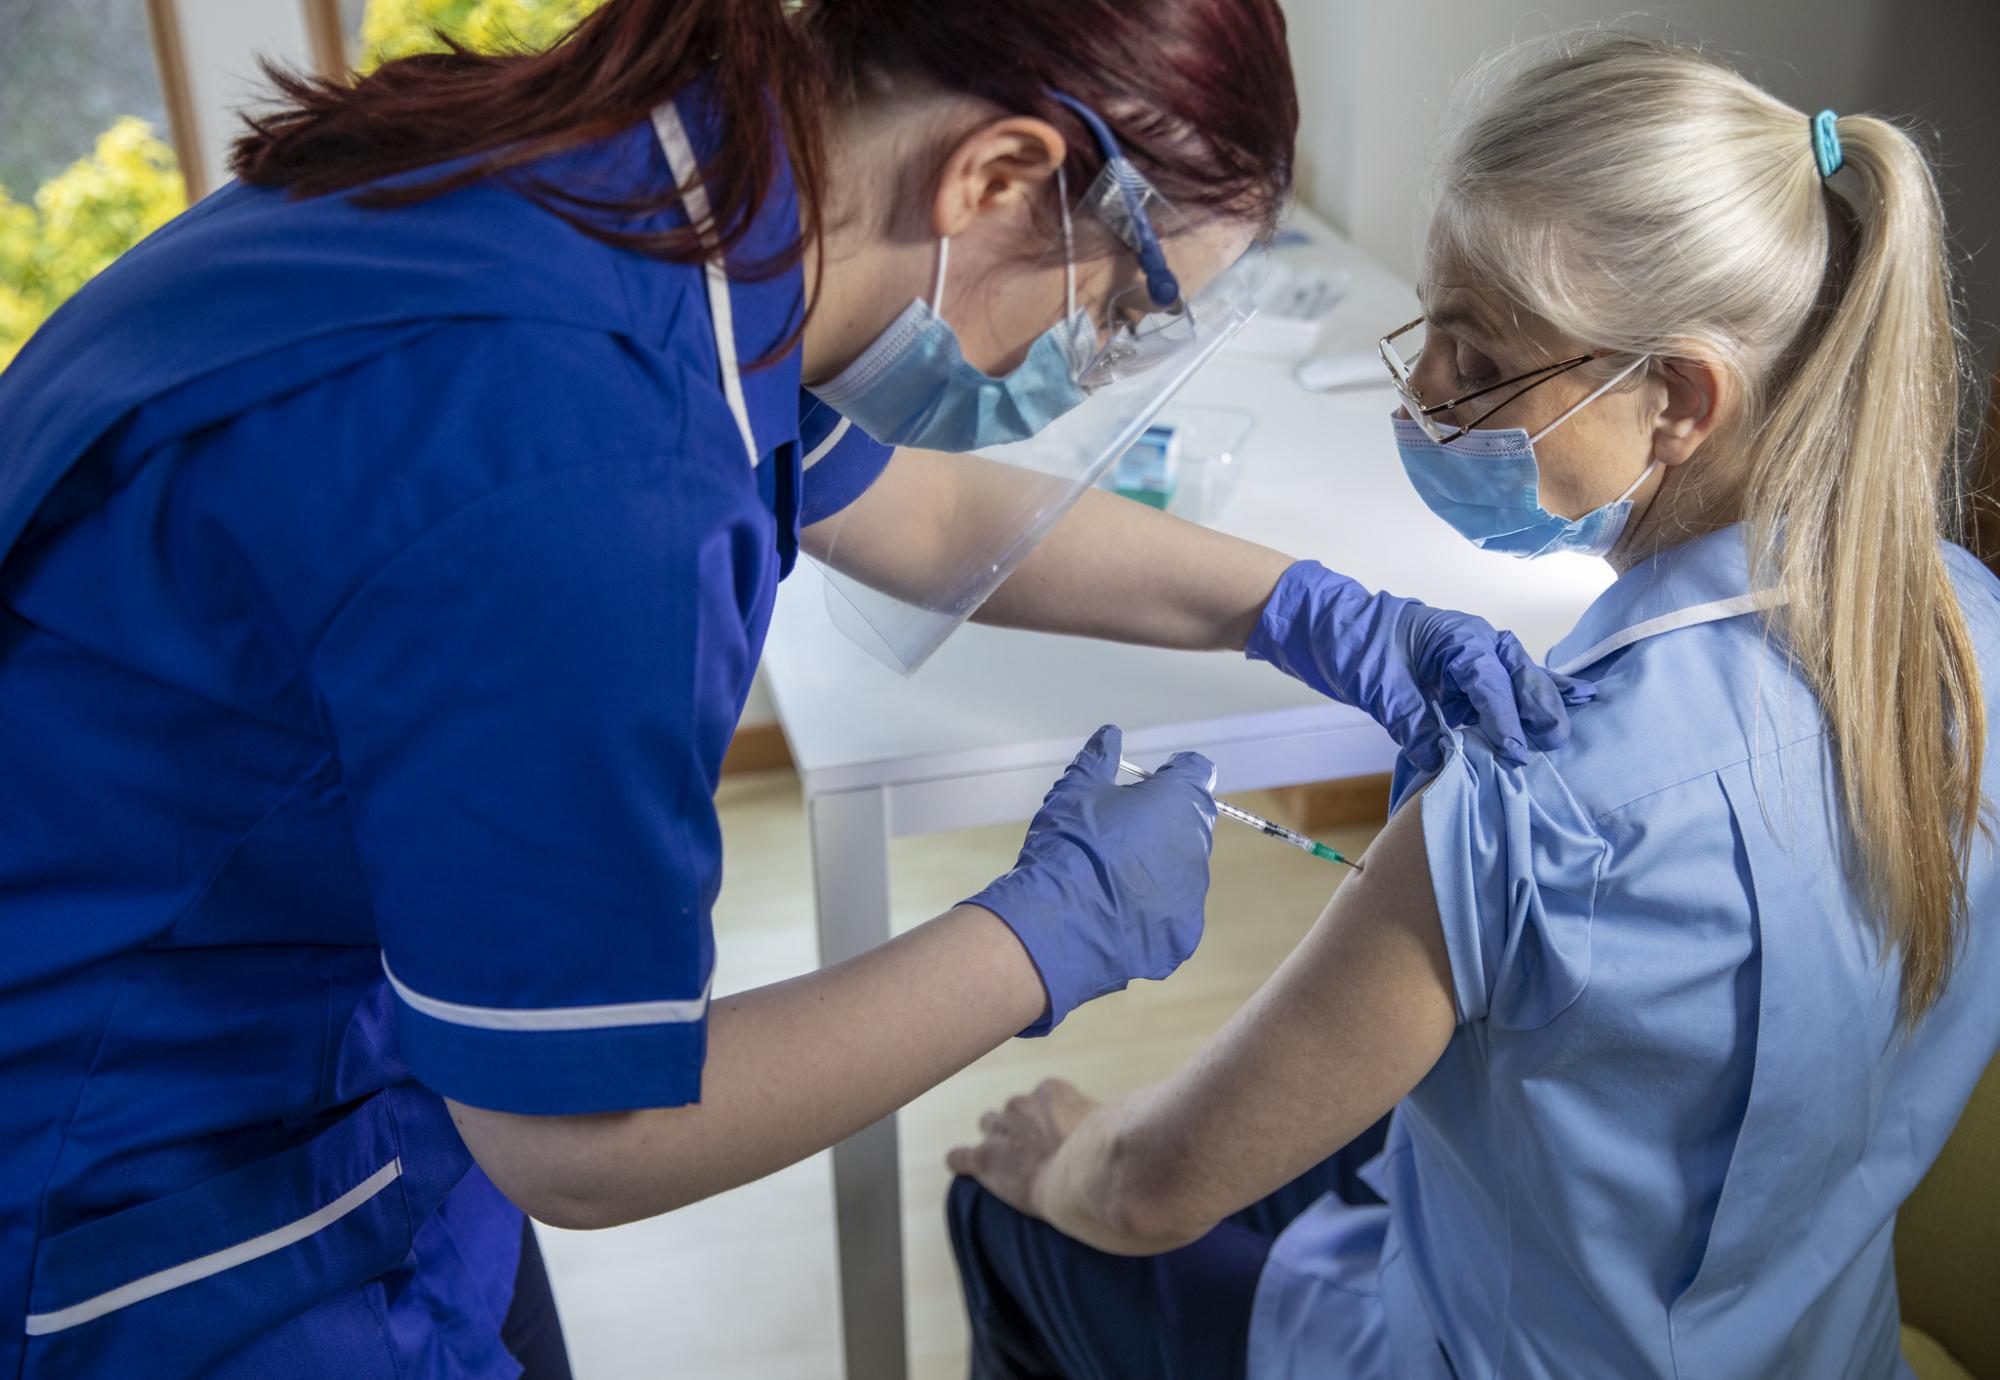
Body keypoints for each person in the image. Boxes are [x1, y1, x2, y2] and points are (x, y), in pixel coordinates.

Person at [0, 2, 1586, 1376]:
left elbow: (916, 512)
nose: (1097, 350)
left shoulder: (684, 175)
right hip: (135, 1154)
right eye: (1123, 303)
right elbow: (582, 1141)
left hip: (297, 987)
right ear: (1000, 175)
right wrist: (1041, 937)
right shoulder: (586, 467)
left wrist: (1307, 610)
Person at [946, 30, 2000, 1380]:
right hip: (1807, 1346)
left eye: (1479, 351)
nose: (1425, 392)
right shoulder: (1968, 631)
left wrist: (1060, 1149)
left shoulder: (1542, 792)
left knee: (1008, 1201)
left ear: (1677, 398)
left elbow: (1150, 1186)